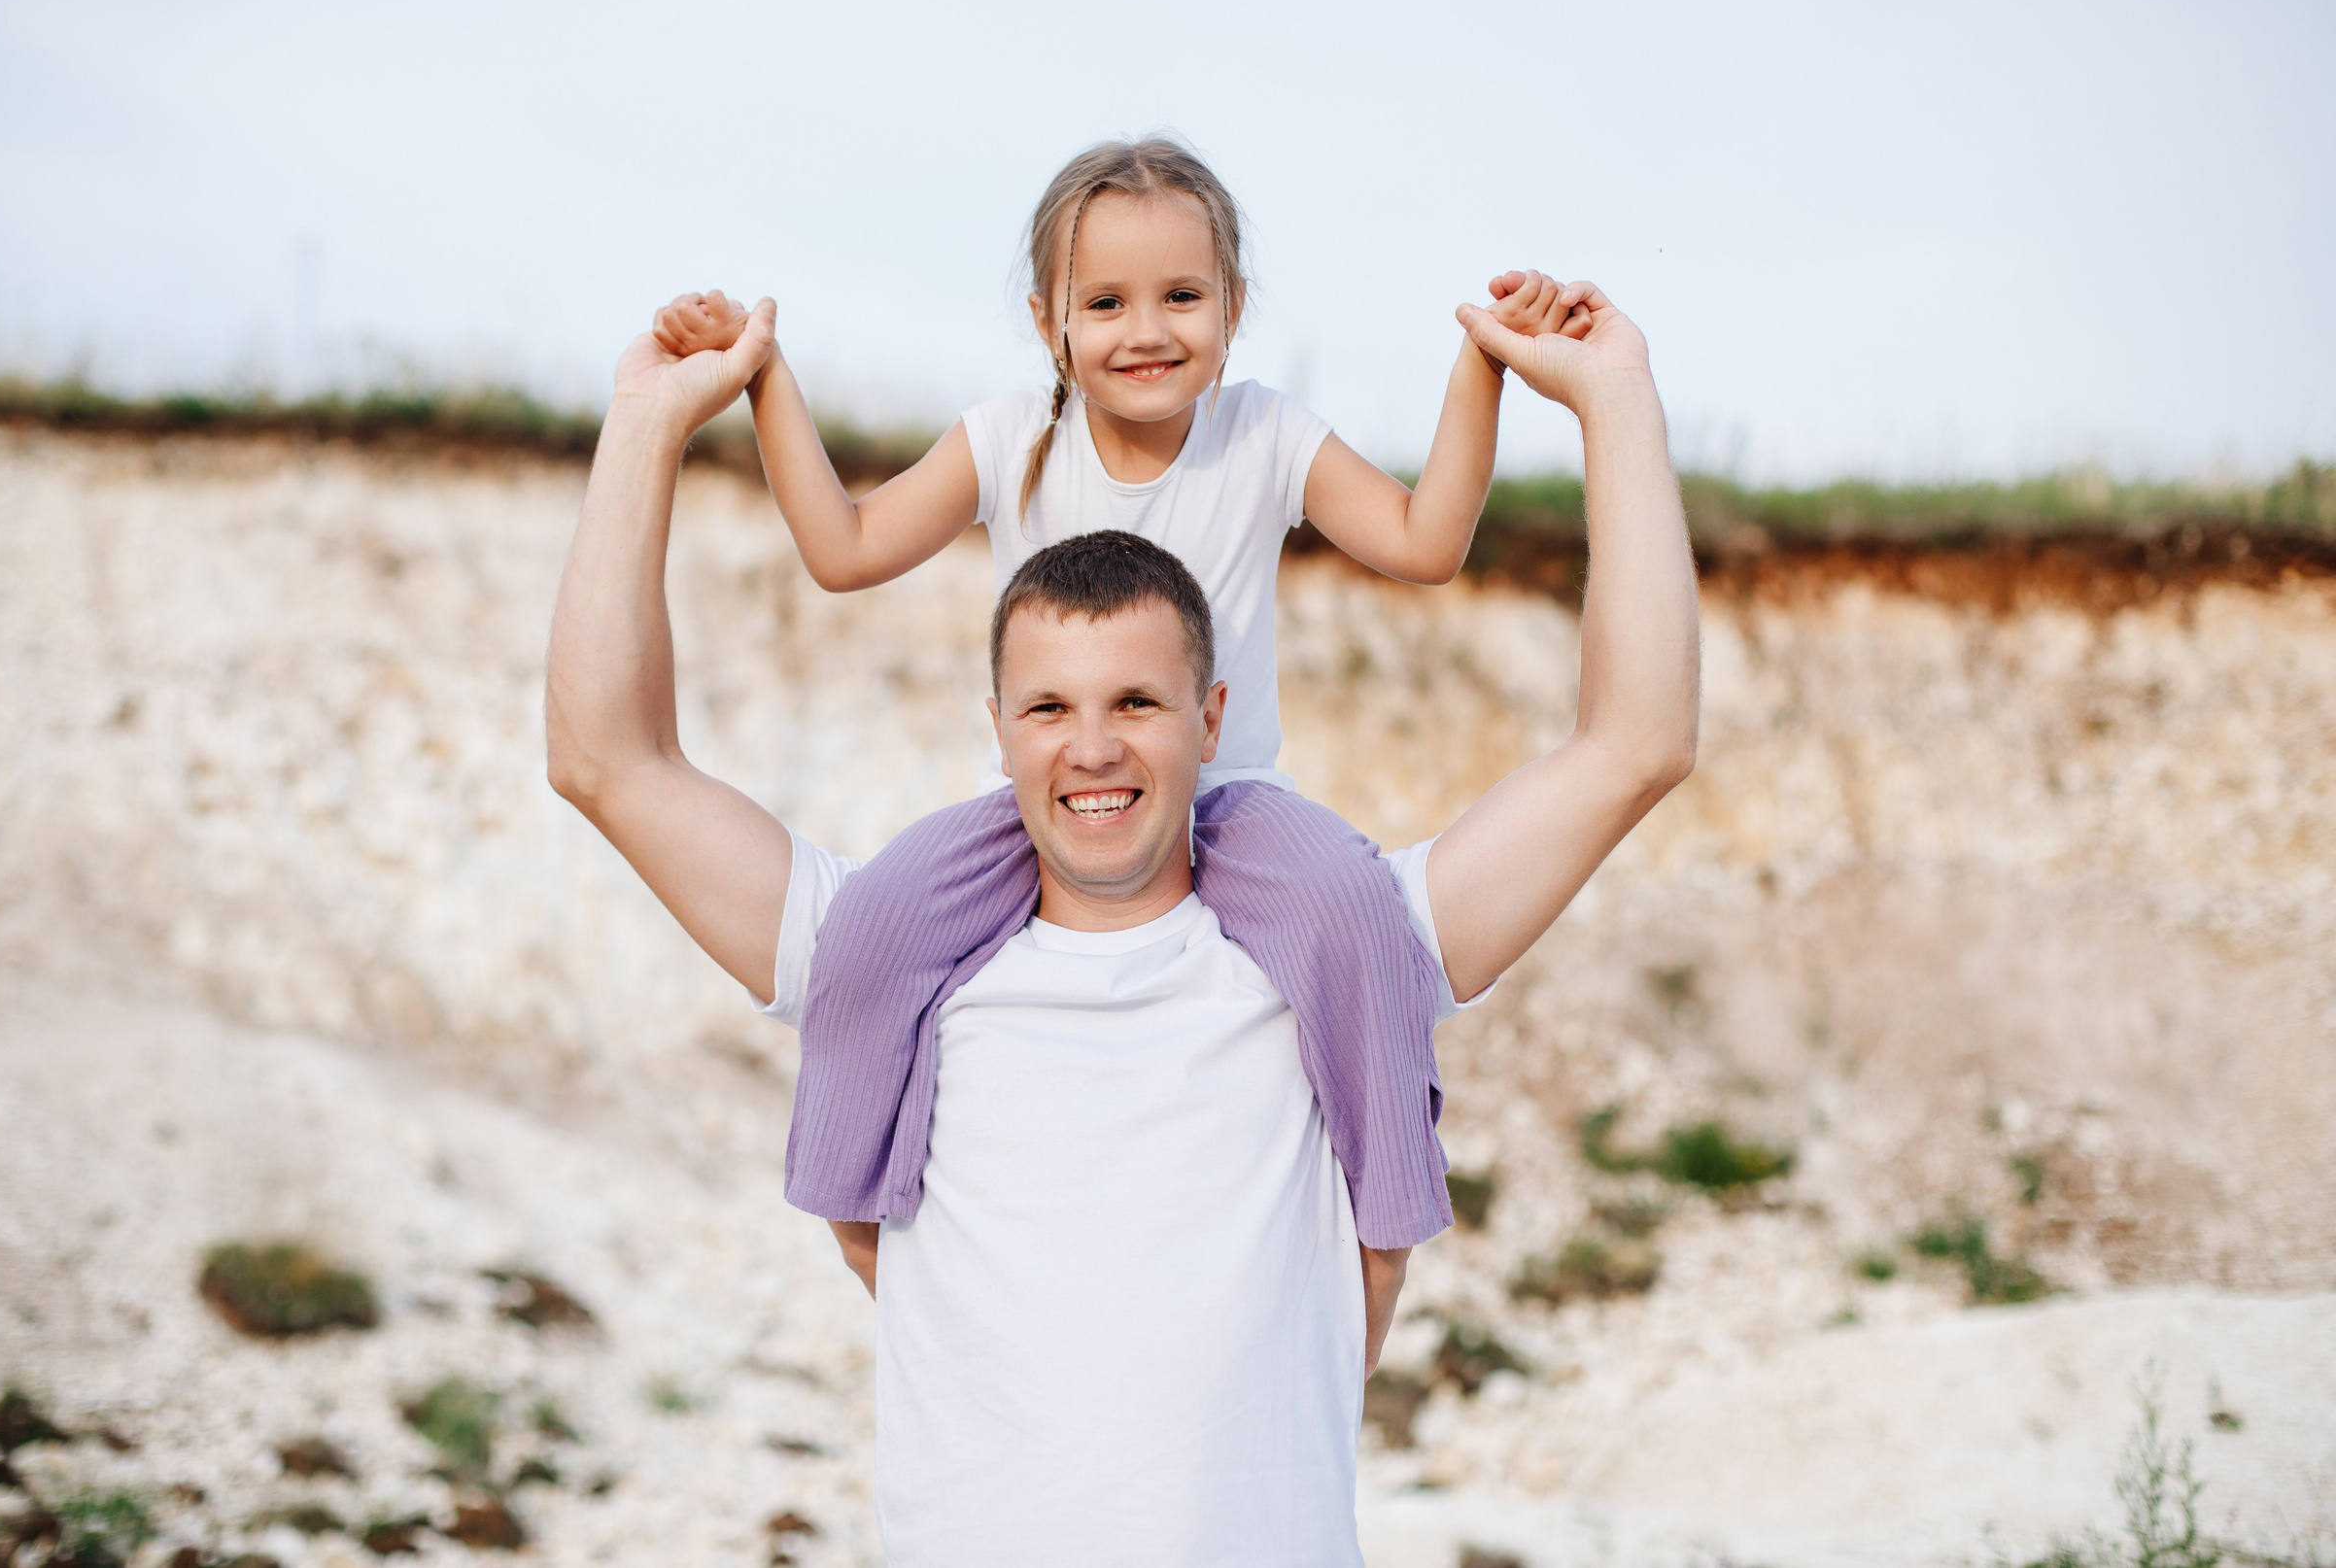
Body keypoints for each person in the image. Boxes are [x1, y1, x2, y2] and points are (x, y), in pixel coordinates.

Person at [544, 271, 1699, 1566]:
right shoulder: (892, 955)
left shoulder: (1339, 940)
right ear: (998, 732)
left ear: (1211, 721)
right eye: (1048, 708)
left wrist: (1618, 403)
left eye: (1138, 702)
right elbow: (608, 760)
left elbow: (1635, 743)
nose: (1092, 748)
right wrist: (643, 423)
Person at [654, 135, 1604, 1253]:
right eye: (1103, 301)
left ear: (1234, 305)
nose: (1146, 331)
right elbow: (844, 547)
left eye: (1181, 296)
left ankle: (1386, 1216)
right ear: (1045, 314)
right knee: (869, 928)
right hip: (1039, 809)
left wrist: (1479, 370)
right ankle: (857, 1204)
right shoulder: (1009, 438)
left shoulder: (1264, 433)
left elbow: (1426, 541)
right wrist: (767, 379)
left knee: (1356, 916)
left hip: (1227, 798)